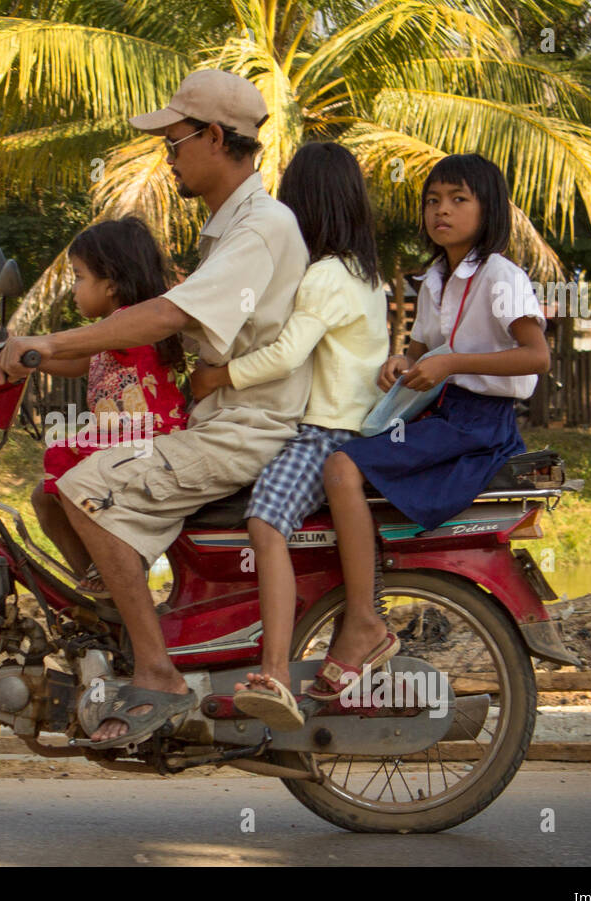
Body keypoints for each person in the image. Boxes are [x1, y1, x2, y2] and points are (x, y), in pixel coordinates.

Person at [0, 69, 312, 748]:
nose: (168, 157)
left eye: (175, 142)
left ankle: (156, 671)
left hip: (240, 429)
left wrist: (46, 341)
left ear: (218, 138)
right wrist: (36, 355)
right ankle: (119, 615)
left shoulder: (259, 229)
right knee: (64, 483)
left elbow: (163, 317)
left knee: (83, 487)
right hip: (218, 419)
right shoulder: (225, 231)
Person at [316, 153, 551, 701]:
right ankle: (362, 605)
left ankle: (363, 621)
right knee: (332, 464)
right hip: (439, 413)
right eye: (432, 200)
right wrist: (401, 363)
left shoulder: (501, 276)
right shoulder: (436, 279)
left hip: (478, 426)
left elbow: (535, 357)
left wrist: (452, 363)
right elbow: (419, 350)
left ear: (488, 209)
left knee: (341, 468)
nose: (441, 211)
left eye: (458, 200)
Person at [187, 141, 387, 729]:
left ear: (307, 205)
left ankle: (274, 669)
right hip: (350, 429)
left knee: (265, 521)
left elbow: (284, 355)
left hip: (323, 433)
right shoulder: (366, 276)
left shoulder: (324, 276)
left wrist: (215, 376)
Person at [0, 218, 186, 596]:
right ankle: (100, 580)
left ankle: (110, 578)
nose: (74, 289)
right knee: (44, 495)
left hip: (143, 440)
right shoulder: (120, 329)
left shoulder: (129, 323)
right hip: (127, 439)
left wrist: (35, 342)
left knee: (61, 464)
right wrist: (15, 349)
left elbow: (75, 350)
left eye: (78, 277)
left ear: (110, 283)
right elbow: (80, 363)